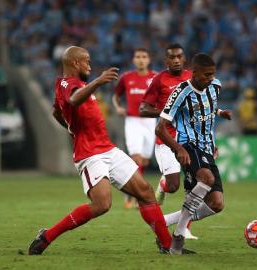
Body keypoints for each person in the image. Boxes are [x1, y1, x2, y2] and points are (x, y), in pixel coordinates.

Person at [28, 46, 174, 255]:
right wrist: (98, 81)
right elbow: (73, 99)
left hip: (108, 149)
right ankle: (47, 236)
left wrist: (71, 127)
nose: (89, 64)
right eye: (86, 61)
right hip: (90, 154)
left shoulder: (64, 83)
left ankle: (168, 245)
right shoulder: (70, 84)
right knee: (102, 204)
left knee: (146, 192)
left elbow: (56, 111)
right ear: (75, 63)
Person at [155, 53, 232, 254]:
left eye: (213, 75)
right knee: (205, 178)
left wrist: (220, 113)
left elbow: (209, 107)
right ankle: (178, 237)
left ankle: (162, 222)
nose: (210, 79)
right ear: (194, 72)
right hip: (188, 145)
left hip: (207, 147)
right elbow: (160, 128)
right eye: (206, 75)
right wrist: (178, 148)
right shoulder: (180, 92)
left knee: (216, 204)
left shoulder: (215, 86)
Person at [139, 44, 197, 239]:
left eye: (179, 56)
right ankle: (163, 184)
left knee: (197, 184)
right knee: (173, 186)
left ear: (184, 58)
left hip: (190, 138)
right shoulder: (159, 80)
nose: (176, 60)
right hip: (166, 138)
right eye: (172, 57)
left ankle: (183, 228)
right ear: (166, 61)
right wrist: (167, 111)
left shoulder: (192, 78)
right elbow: (143, 109)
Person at [112, 48, 157, 209]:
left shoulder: (155, 78)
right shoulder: (126, 77)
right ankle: (137, 194)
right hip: (132, 121)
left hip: (150, 121)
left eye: (144, 57)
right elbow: (116, 96)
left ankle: (133, 192)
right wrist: (117, 107)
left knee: (144, 160)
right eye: (137, 56)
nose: (141, 60)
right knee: (136, 158)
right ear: (133, 60)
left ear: (149, 59)